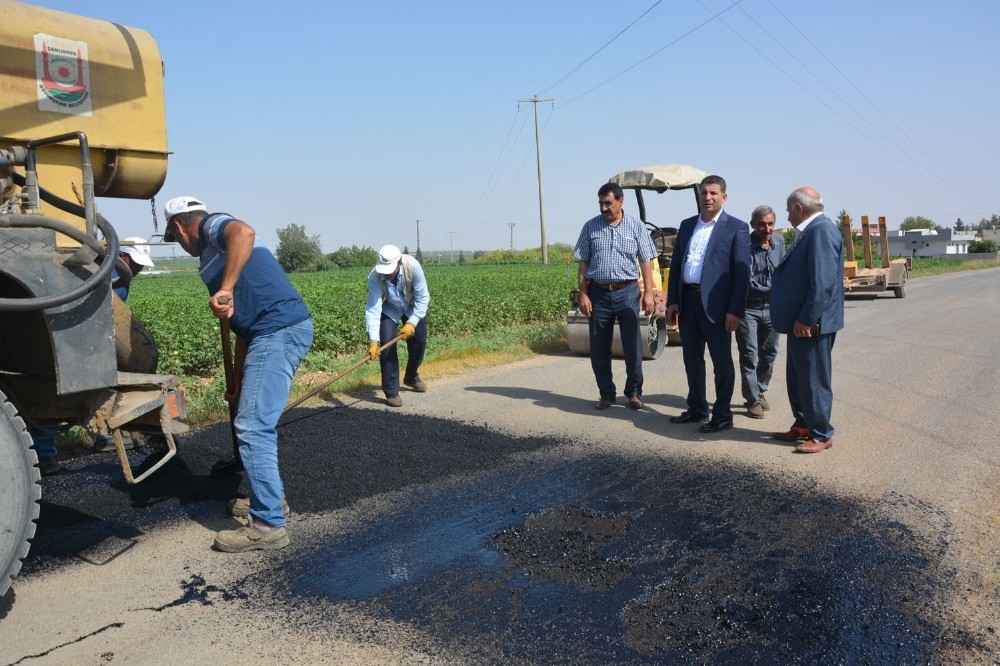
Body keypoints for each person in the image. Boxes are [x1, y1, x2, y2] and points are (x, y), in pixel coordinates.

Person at [163, 195, 313, 551]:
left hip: (278, 329)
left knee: (253, 426)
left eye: (174, 237)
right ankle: (271, 502)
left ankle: (267, 525)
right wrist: (237, 378)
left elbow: (244, 232)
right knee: (253, 422)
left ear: (179, 227)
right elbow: (242, 325)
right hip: (263, 333)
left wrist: (226, 287)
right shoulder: (209, 262)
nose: (179, 245)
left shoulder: (215, 226)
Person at [29, 237, 158, 473]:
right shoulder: (96, 272)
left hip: (93, 342)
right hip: (70, 341)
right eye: (136, 263)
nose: (139, 269)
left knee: (100, 386)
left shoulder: (117, 275)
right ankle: (44, 455)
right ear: (122, 256)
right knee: (49, 388)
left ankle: (101, 436)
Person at [666, 175, 751, 433]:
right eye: (704, 193)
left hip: (717, 307)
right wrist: (672, 301)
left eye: (713, 193)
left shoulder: (736, 227)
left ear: (724, 197)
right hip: (689, 302)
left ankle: (722, 414)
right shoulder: (687, 225)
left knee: (721, 363)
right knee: (691, 359)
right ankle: (697, 408)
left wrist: (735, 310)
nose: (708, 197)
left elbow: (742, 274)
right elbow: (677, 265)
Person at [770, 186, 844, 453]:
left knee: (813, 378)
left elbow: (823, 283)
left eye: (789, 210)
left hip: (812, 324)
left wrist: (807, 318)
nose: (787, 216)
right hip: (800, 322)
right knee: (798, 376)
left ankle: (822, 434)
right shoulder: (811, 231)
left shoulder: (821, 230)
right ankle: (803, 424)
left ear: (799, 208)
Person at [573, 182, 657, 410]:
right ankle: (607, 394)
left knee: (633, 346)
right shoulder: (591, 227)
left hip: (628, 292)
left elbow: (646, 260)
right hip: (598, 293)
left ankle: (634, 393)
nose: (603, 208)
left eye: (607, 203)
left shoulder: (636, 226)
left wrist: (649, 293)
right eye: (600, 203)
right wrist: (583, 294)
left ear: (620, 201)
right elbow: (583, 262)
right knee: (599, 347)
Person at [735, 206, 785, 419]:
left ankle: (761, 390)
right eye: (762, 224)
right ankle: (752, 399)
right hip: (748, 308)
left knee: (770, 353)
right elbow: (743, 279)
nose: (767, 228)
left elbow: (784, 269)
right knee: (749, 355)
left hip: (773, 308)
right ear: (753, 224)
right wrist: (769, 290)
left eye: (770, 224)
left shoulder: (780, 242)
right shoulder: (744, 244)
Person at [365, 244, 431, 407]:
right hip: (390, 308)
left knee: (419, 342)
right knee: (387, 345)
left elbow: (423, 298)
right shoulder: (374, 277)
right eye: (383, 271)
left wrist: (412, 322)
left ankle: (411, 377)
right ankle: (391, 391)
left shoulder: (413, 266)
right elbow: (373, 309)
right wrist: (374, 340)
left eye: (390, 270)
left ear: (399, 263)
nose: (386, 274)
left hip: (412, 306)